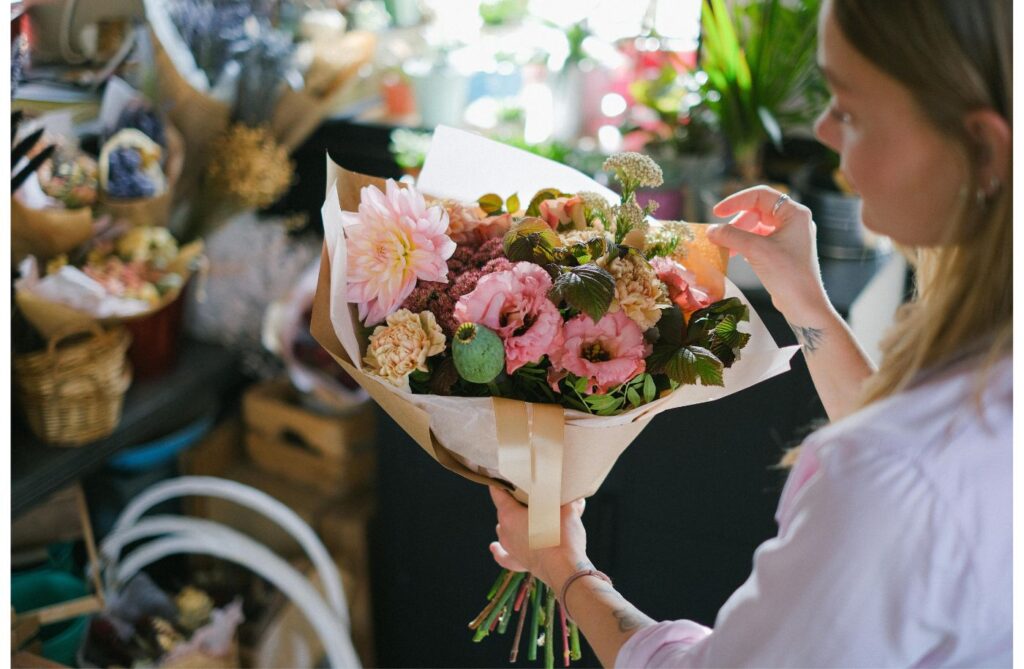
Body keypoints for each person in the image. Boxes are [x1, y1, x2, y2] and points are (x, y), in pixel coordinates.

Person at [488, 0, 1012, 665]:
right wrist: (803, 295)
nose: (822, 130)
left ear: (983, 147)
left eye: (849, 110)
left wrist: (566, 570)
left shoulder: (885, 475)